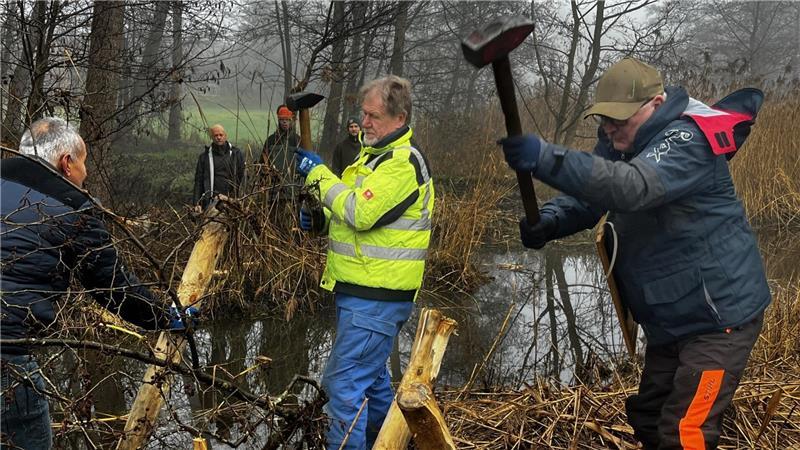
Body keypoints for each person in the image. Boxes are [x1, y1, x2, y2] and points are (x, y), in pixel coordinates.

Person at [499, 57, 769, 449]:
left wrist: (546, 158)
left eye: (620, 119)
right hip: (673, 318)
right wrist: (552, 220)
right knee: (648, 417)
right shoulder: (621, 141)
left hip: (719, 319)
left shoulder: (687, 140)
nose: (609, 129)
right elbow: (592, 195)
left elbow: (630, 187)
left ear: (657, 104)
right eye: (605, 120)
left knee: (685, 431)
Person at [1, 117, 195, 449]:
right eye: (83, 164)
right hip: (8, 361)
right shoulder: (75, 210)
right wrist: (167, 316)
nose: (85, 175)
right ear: (66, 163)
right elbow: (114, 290)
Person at [294, 75, 434, 449]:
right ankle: (391, 444)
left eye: (373, 116)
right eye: (364, 113)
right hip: (361, 294)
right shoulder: (371, 157)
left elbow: (361, 210)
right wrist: (322, 219)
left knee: (344, 387)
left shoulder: (403, 163)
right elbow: (354, 216)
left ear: (399, 119)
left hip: (377, 298)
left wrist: (318, 175)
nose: (365, 122)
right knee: (371, 384)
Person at [193, 124, 246, 211]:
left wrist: (240, 198)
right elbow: (198, 181)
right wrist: (196, 203)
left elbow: (243, 176)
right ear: (212, 138)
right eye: (216, 135)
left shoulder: (236, 154)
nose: (218, 137)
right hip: (211, 202)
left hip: (232, 201)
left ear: (225, 136)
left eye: (221, 135)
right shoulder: (205, 157)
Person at [261, 104, 301, 183]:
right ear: (278, 120)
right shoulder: (271, 141)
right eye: (282, 119)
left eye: (287, 119)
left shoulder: (297, 140)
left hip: (294, 184)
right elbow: (263, 164)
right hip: (274, 186)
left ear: (291, 120)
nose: (285, 122)